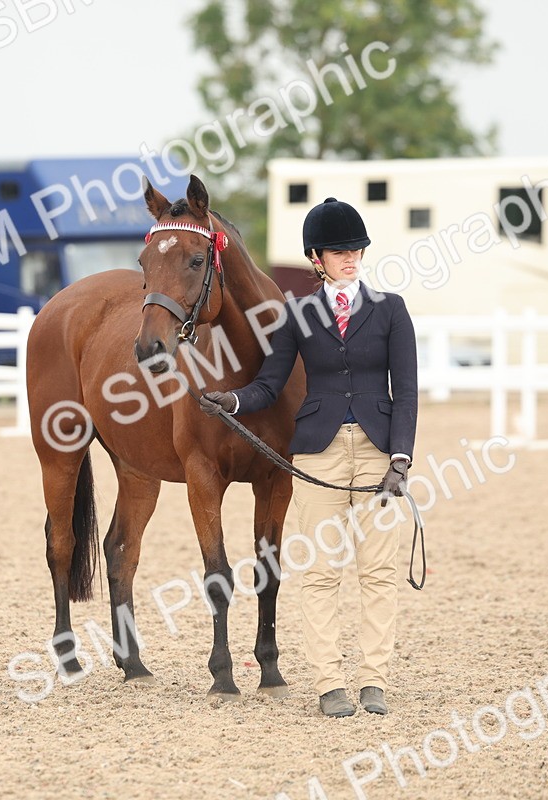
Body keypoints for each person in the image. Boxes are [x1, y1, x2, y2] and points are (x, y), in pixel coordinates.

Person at [199, 197, 418, 718]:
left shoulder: (391, 310)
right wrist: (231, 400)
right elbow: (271, 384)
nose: (350, 257)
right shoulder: (297, 316)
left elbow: (406, 391)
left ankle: (373, 680)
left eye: (356, 249)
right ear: (316, 257)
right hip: (317, 455)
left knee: (378, 571)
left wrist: (401, 459)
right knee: (320, 572)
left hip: (376, 453)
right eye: (339, 251)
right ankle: (329, 683)